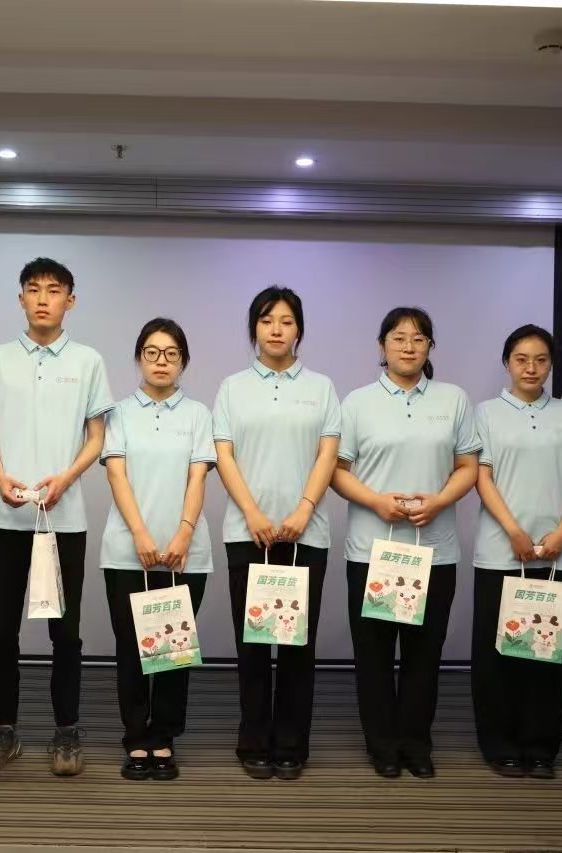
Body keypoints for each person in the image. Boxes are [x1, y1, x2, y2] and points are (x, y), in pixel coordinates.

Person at [0, 257, 114, 777]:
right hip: (6, 516)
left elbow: (96, 437)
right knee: (2, 633)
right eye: (33, 289)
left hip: (63, 519)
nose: (43, 298)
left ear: (70, 300)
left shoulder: (88, 361)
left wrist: (66, 478)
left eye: (54, 290)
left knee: (65, 633)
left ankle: (66, 731)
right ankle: (4, 730)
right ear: (21, 299)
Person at [332, 306, 480, 780]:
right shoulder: (357, 403)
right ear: (382, 345)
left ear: (430, 347)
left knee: (423, 654)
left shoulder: (454, 400)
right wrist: (376, 502)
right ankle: (382, 746)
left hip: (434, 550)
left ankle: (416, 743)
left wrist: (440, 501)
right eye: (398, 338)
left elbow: (468, 467)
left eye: (418, 339)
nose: (408, 346)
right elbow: (337, 471)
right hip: (373, 550)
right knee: (374, 656)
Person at [213, 285, 340, 781]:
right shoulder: (232, 388)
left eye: (286, 321)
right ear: (254, 329)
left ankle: (291, 743)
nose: (276, 330)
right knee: (252, 645)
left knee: (296, 645)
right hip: (248, 533)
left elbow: (328, 453)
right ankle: (253, 740)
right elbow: (224, 455)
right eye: (267, 321)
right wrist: (253, 514)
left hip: (306, 534)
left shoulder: (322, 388)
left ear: (299, 329)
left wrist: (304, 510)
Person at [471, 325, 562, 779]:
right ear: (507, 362)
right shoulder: (486, 413)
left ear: (551, 365)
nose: (531, 368)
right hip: (501, 553)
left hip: (558, 555)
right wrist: (514, 532)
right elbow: (481, 476)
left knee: (546, 653)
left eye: (541, 359)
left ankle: (541, 747)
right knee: (499, 655)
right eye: (521, 359)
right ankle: (500, 745)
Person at [101, 318, 215, 782]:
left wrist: (183, 533)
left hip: (185, 552)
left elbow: (197, 476)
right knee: (132, 648)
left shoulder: (198, 415)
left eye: (171, 353)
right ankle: (135, 736)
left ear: (183, 360)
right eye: (152, 352)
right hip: (128, 551)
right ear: (138, 359)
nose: (161, 361)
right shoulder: (119, 413)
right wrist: (141, 535)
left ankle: (164, 735)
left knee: (172, 648)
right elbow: (116, 474)